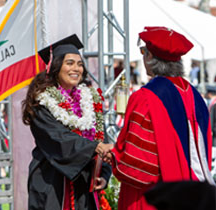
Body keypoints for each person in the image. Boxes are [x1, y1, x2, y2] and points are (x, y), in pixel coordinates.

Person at [105, 26, 215, 210]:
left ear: (149, 56)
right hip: (191, 192)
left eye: (143, 52)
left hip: (154, 195)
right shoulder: (196, 96)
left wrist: (113, 153)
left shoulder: (146, 97)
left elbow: (138, 162)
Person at [23, 34, 113, 210]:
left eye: (80, 64)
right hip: (51, 182)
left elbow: (101, 137)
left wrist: (104, 174)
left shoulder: (90, 100)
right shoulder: (42, 101)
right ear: (56, 67)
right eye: (69, 63)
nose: (76, 69)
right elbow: (58, 137)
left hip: (84, 184)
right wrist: (94, 147)